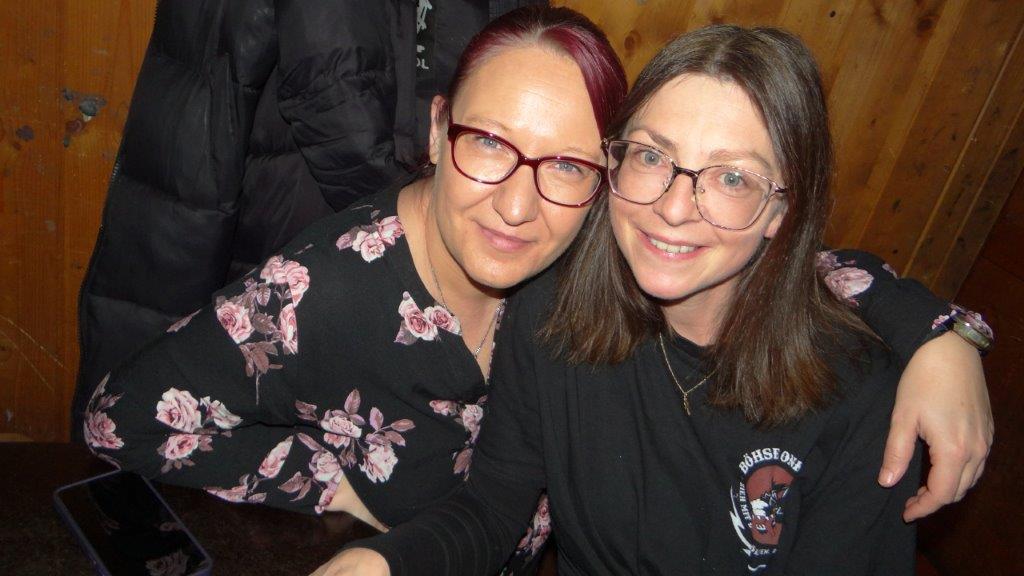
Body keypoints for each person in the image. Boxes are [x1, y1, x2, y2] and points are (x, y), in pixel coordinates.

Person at [83, 7, 990, 575]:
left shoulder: (618, 248)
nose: (519, 205)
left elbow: (802, 270)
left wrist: (941, 331)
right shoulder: (512, 310)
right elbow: (492, 508)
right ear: (437, 132)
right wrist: (364, 535)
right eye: (488, 143)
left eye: (730, 178)